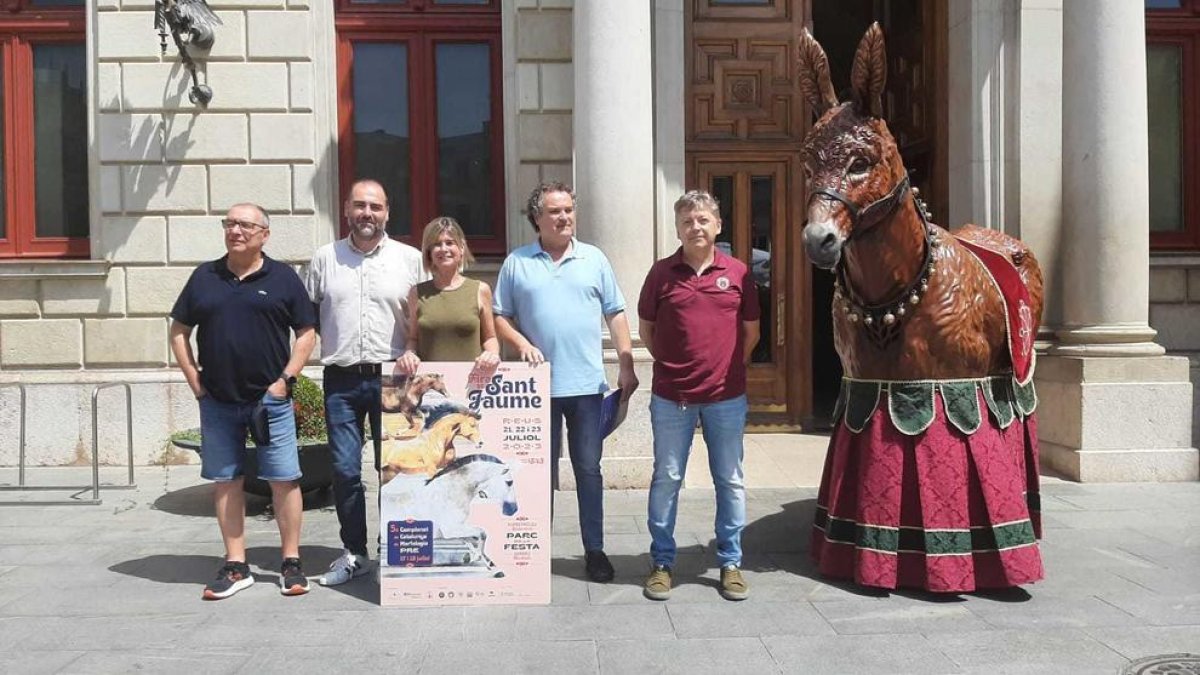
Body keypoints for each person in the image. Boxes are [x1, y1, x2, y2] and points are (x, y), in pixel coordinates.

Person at [169, 203, 317, 600]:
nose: (236, 230)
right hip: (217, 400)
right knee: (226, 480)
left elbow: (306, 332)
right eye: (230, 223)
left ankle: (291, 563)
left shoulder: (283, 278)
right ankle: (236, 565)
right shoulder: (204, 277)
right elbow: (179, 331)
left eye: (245, 225)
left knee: (284, 479)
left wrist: (286, 380)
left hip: (269, 401)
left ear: (264, 234)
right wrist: (194, 380)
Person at [492, 182, 638, 583]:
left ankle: (595, 551)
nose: (564, 217)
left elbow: (617, 313)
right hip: (536, 390)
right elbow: (499, 315)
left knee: (588, 469)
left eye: (569, 210)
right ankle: (535, 552)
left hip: (588, 386)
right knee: (538, 472)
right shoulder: (517, 263)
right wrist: (520, 343)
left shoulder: (594, 259)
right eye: (555, 211)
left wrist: (625, 365)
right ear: (536, 218)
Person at [637, 190, 761, 601]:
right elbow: (648, 331)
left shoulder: (740, 273)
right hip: (672, 398)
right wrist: (677, 367)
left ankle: (730, 562)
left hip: (726, 398)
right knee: (667, 478)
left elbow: (751, 334)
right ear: (677, 228)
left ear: (718, 225)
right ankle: (661, 562)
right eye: (688, 221)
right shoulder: (660, 274)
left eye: (704, 219)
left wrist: (724, 370)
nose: (696, 227)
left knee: (730, 481)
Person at [305, 178, 424, 586]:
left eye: (375, 206)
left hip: (393, 379)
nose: (367, 214)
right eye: (359, 206)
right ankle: (354, 552)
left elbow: (423, 318)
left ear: (387, 212)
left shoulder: (409, 260)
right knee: (343, 470)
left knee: (395, 469)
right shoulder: (325, 258)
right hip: (341, 379)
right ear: (346, 210)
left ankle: (393, 550)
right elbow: (310, 317)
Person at [396, 216, 501, 373]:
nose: (444, 249)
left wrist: (492, 355)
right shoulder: (417, 293)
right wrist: (409, 354)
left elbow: (490, 338)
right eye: (437, 244)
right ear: (429, 253)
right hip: (430, 387)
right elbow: (413, 338)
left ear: (461, 248)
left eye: (450, 243)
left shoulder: (480, 290)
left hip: (472, 386)